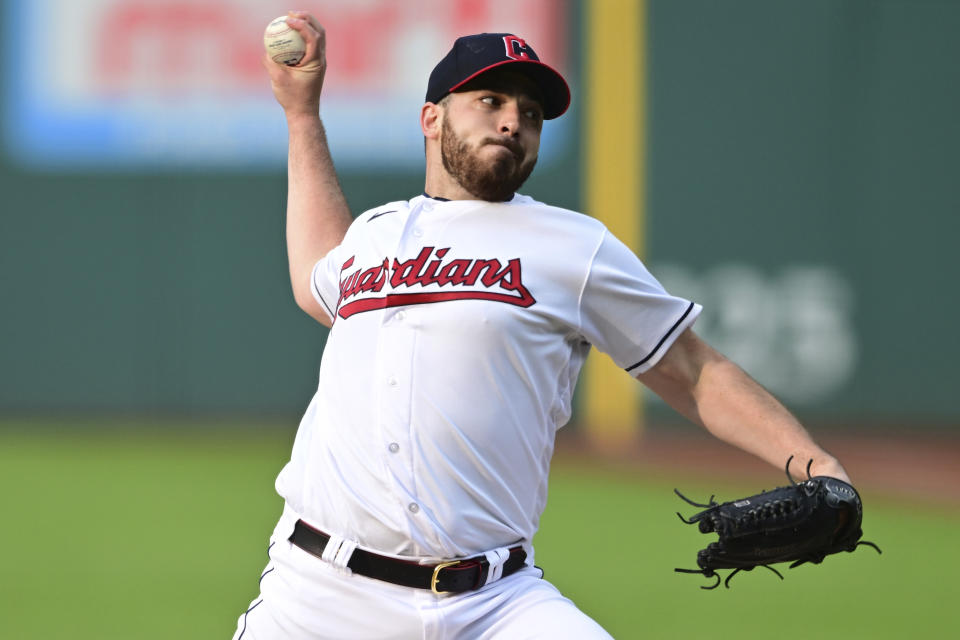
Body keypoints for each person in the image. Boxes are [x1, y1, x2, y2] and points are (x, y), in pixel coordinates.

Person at [234, 12, 851, 639]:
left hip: (494, 603)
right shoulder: (373, 233)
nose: (512, 121)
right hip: (320, 595)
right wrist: (302, 114)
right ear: (431, 119)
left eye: (530, 113)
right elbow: (317, 276)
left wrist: (819, 466)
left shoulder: (572, 247)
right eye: (490, 100)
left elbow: (691, 371)